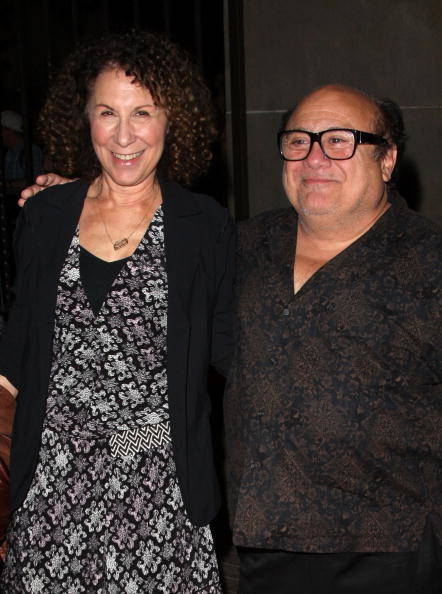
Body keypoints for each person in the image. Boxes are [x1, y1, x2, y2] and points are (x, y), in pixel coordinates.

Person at [0, 30, 234, 592]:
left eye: (143, 113)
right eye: (108, 112)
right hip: (52, 490)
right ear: (85, 119)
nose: (124, 135)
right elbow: (17, 352)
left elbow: (233, 353)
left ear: (172, 121)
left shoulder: (205, 226)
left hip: (161, 496)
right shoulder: (45, 216)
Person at [224, 85, 441, 593]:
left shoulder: (430, 261)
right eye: (299, 140)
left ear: (387, 160)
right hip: (262, 546)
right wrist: (77, 203)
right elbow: (147, 247)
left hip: (391, 552)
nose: (315, 158)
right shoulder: (242, 246)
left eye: (340, 140)